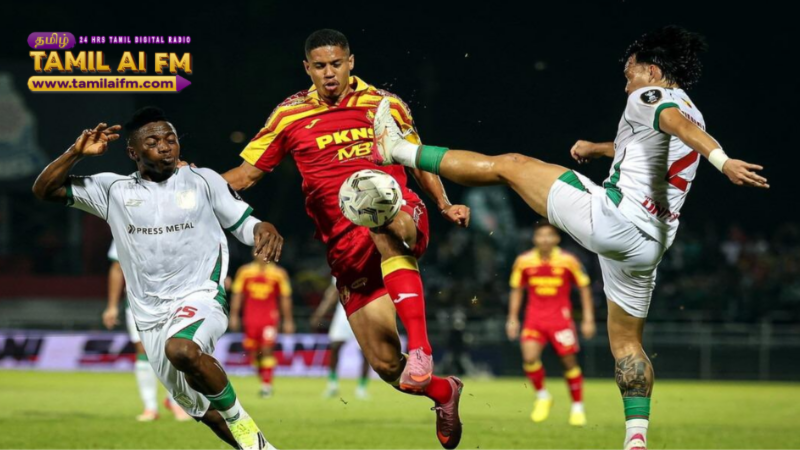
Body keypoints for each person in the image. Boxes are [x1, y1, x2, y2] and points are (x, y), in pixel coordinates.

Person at [370, 26, 768, 450]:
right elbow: (652, 142)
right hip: (650, 245)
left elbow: (671, 121)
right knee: (628, 343)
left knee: (511, 165)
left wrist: (723, 161)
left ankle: (398, 150)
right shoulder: (695, 110)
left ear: (652, 71)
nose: (627, 85)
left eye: (630, 74)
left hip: (614, 217)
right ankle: (636, 440)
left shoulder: (652, 96)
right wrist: (597, 149)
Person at [222, 29, 469, 449]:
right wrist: (192, 186)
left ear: (350, 62)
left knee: (379, 215)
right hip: (345, 252)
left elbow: (416, 157)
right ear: (307, 68)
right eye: (320, 66)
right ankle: (444, 391)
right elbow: (245, 176)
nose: (329, 73)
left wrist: (444, 203)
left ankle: (422, 349)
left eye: (336, 64)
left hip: (401, 214)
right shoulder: (289, 115)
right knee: (387, 366)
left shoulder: (384, 104)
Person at [32, 107, 284, 450]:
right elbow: (44, 190)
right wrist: (75, 153)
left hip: (201, 296)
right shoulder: (112, 190)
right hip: (149, 316)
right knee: (201, 409)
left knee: (182, 349)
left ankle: (239, 417)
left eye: (170, 139)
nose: (165, 146)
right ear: (133, 153)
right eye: (152, 142)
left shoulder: (203, 180)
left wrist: (262, 228)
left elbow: (243, 222)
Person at [506, 221, 595, 426]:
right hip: (534, 319)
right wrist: (512, 318)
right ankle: (543, 396)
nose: (544, 239)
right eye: (540, 235)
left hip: (560, 320)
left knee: (569, 363)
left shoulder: (568, 260)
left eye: (549, 235)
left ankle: (577, 407)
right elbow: (516, 290)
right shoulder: (523, 261)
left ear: (556, 238)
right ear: (534, 238)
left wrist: (588, 318)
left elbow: (584, 288)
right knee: (529, 358)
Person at [102, 240, 191, 422]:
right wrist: (112, 306)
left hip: (173, 299)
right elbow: (117, 268)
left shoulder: (175, 228)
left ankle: (175, 400)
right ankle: (150, 407)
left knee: (172, 348)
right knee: (143, 349)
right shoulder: (124, 229)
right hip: (138, 301)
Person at [228, 255, 295, 398]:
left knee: (266, 350)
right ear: (254, 253)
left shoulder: (279, 274)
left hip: (269, 319)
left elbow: (285, 297)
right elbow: (237, 295)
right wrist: (233, 316)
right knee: (254, 354)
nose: (262, 255)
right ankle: (264, 380)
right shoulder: (244, 272)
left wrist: (288, 320)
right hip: (250, 319)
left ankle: (266, 385)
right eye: (259, 251)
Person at [310, 279, 370, 399]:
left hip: (364, 311)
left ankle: (362, 388)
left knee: (366, 352)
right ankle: (332, 385)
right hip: (343, 313)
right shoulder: (340, 269)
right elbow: (333, 292)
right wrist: (320, 313)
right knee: (335, 346)